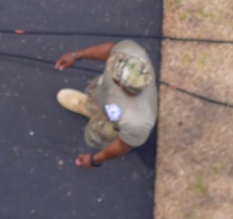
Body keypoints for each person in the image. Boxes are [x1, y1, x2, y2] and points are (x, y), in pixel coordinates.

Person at [54, 40, 158, 169]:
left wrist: (94, 159)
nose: (111, 63)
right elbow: (111, 51)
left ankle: (96, 120)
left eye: (114, 73)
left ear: (120, 86)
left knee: (100, 135)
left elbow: (122, 145)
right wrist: (76, 55)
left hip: (113, 123)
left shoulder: (137, 122)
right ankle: (90, 107)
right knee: (97, 91)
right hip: (104, 94)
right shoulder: (133, 53)